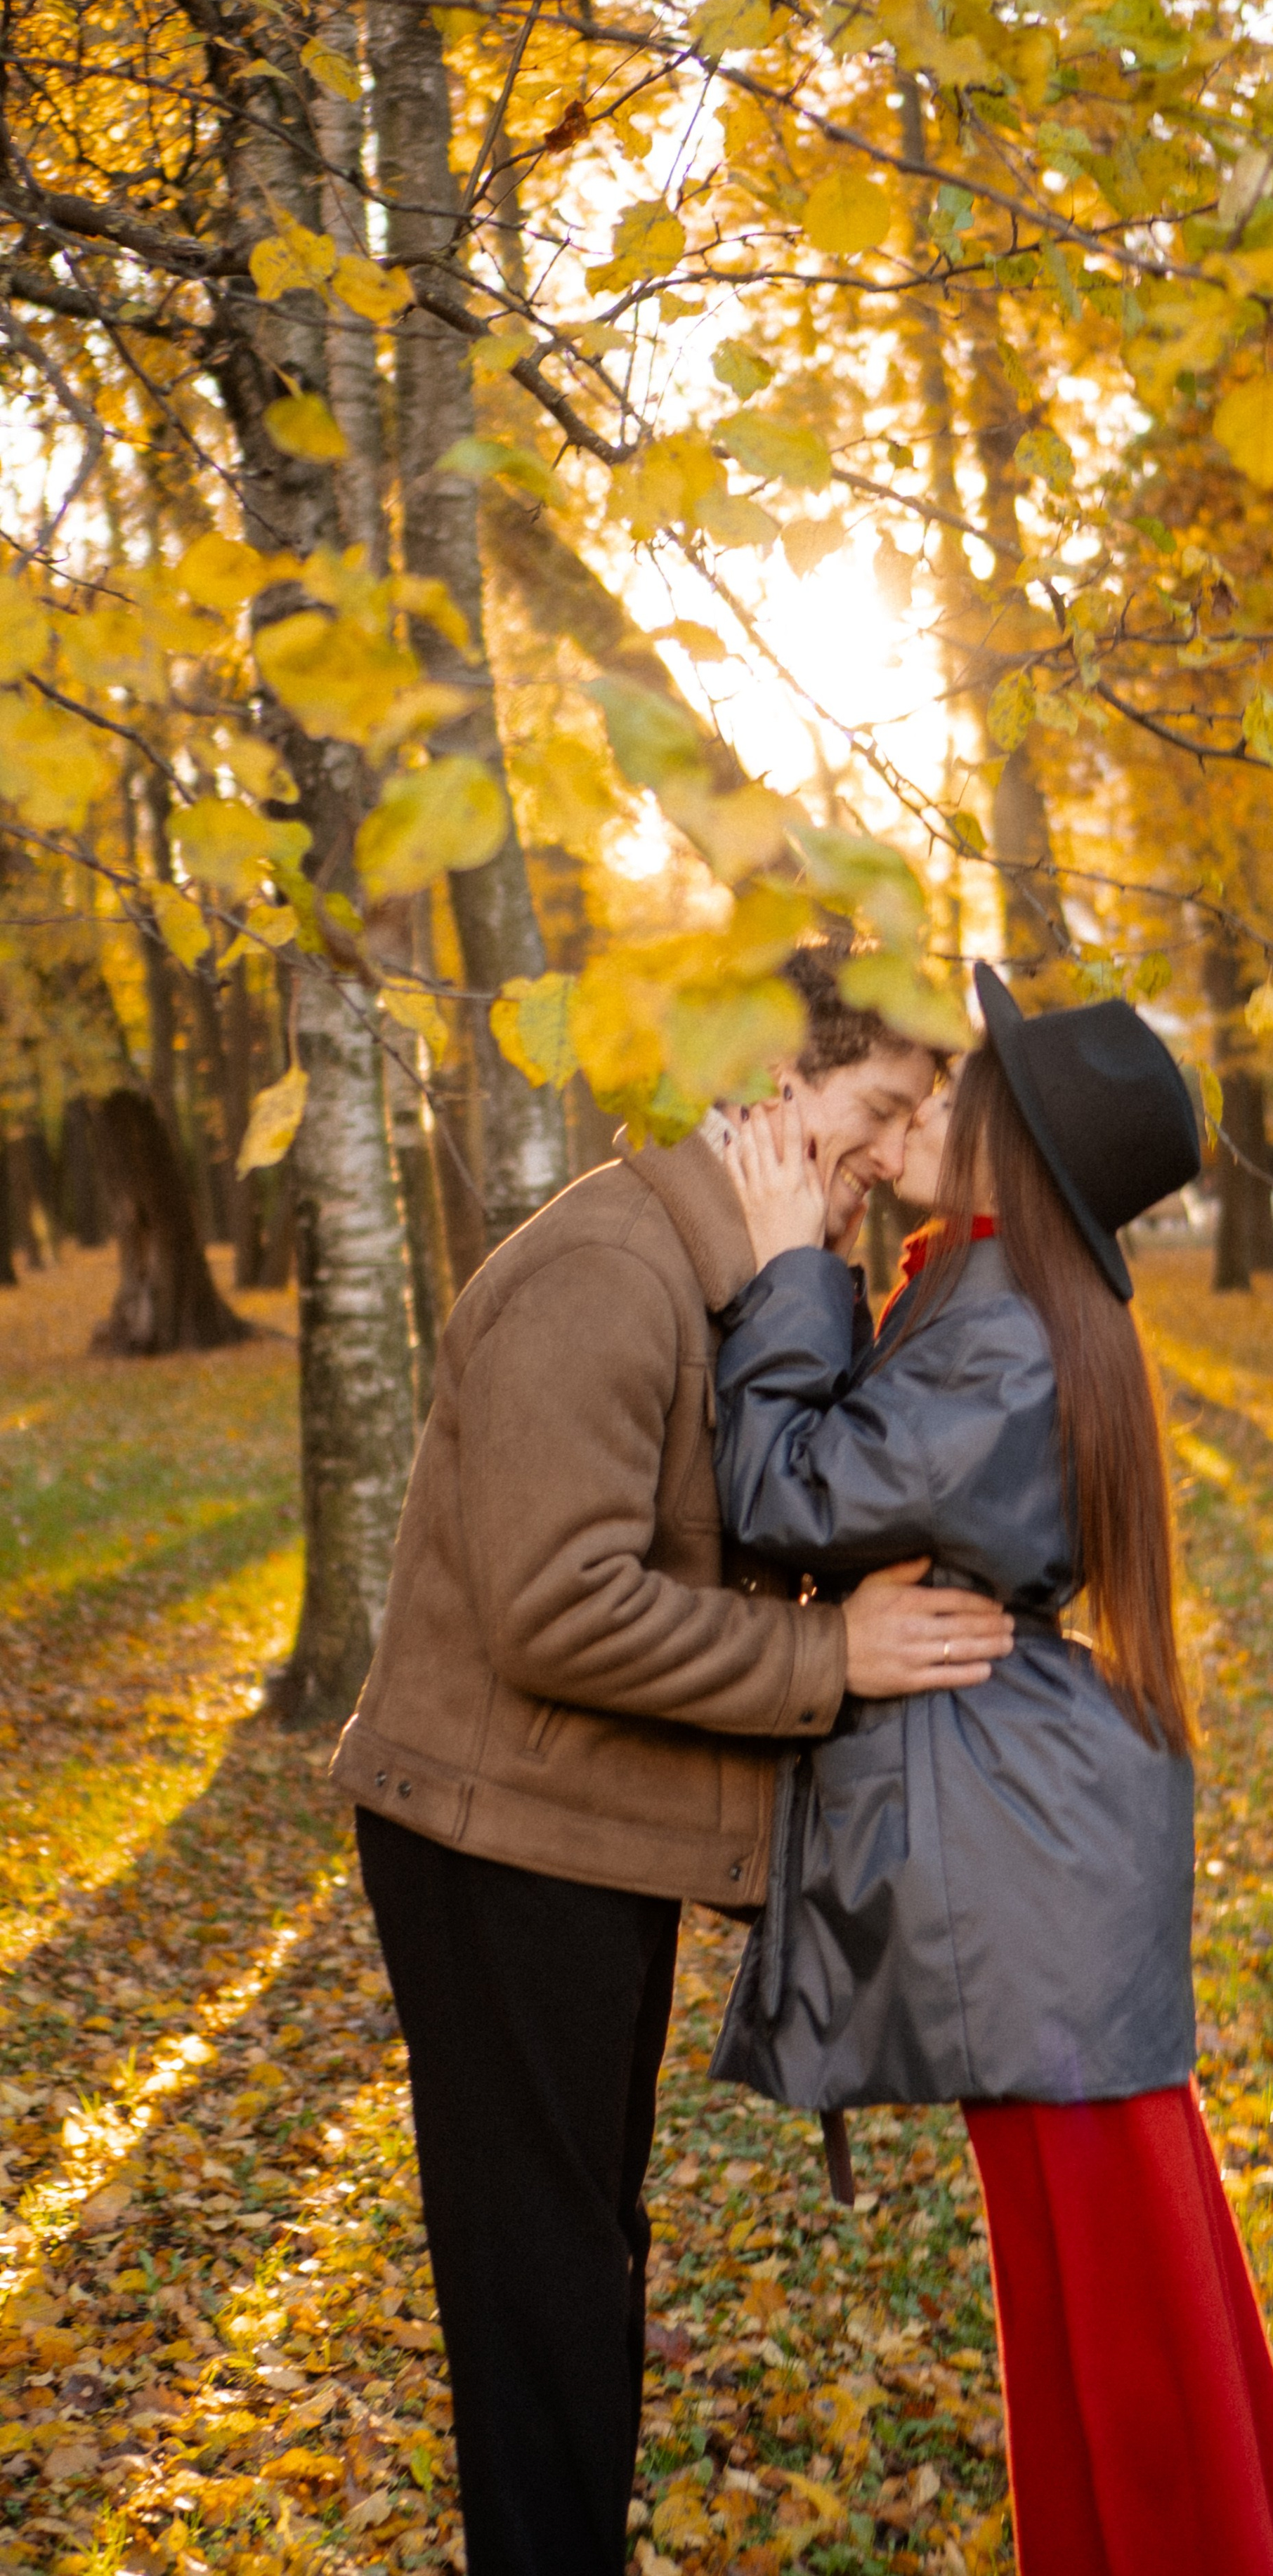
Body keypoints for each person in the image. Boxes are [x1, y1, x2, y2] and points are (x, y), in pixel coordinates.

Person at [329, 947, 1015, 2576]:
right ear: (773, 1086)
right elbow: (556, 1611)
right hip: (493, 1848)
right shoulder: (606, 1270)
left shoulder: (745, 1269)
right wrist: (830, 1662)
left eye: (911, 1119)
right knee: (542, 2284)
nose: (892, 1153)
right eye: (875, 1110)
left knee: (581, 2254)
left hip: (578, 1832)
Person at [707, 963, 1273, 2576]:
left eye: (957, 1090)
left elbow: (788, 1491)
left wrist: (787, 1266)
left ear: (1013, 1152)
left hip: (1031, 1872)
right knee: (1089, 2295)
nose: (926, 1101)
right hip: (1033, 1853)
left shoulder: (997, 1330)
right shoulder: (972, 1295)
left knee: (1123, 2309)